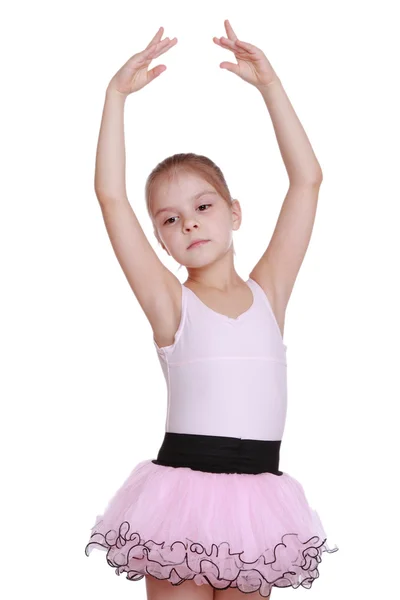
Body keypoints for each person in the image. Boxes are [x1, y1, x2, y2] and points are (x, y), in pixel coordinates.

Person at [84, 20, 338, 599]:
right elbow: (110, 197)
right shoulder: (170, 304)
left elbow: (308, 181)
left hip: (258, 500)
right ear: (161, 241)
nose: (189, 221)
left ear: (235, 212)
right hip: (182, 499)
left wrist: (270, 87)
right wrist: (114, 97)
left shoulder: (268, 294)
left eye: (202, 205)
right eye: (169, 220)